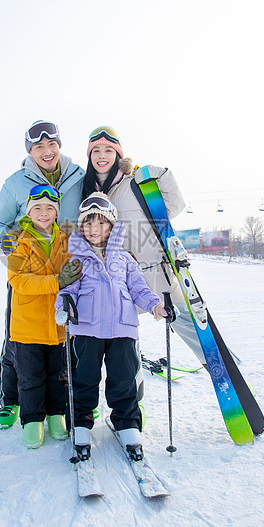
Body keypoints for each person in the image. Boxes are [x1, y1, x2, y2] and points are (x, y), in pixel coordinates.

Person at [82, 125, 208, 367]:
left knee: (194, 332)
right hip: (121, 281)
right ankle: (133, 400)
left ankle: (229, 380)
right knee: (125, 345)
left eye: (108, 150)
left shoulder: (134, 184)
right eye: (95, 150)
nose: (102, 156)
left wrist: (163, 177)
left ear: (118, 154)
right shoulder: (89, 193)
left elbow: (172, 208)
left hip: (160, 275)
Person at [55, 193, 166, 461]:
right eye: (89, 224)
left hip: (122, 329)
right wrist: (64, 307)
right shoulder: (77, 260)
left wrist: (155, 306)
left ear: (112, 226)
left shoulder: (125, 259)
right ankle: (81, 424)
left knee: (123, 380)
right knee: (84, 380)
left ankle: (126, 423)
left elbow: (139, 288)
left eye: (101, 223)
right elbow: (68, 289)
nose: (95, 230)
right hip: (87, 330)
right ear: (82, 228)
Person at [0, 121, 84, 430]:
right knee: (18, 339)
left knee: (65, 338)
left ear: (59, 145)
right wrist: (14, 253)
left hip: (65, 268)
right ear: (30, 151)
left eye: (51, 144)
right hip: (28, 270)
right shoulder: (16, 183)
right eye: (38, 147)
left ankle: (65, 403)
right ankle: (11, 400)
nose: (46, 151)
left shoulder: (78, 177)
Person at [7, 184, 82, 448]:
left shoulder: (66, 238)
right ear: (29, 211)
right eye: (37, 207)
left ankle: (56, 414)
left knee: (58, 374)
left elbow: (75, 270)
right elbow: (18, 279)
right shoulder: (18, 239)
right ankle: (32, 420)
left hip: (57, 323)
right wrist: (55, 281)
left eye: (49, 208)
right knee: (30, 377)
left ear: (56, 212)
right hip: (28, 324)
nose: (43, 213)